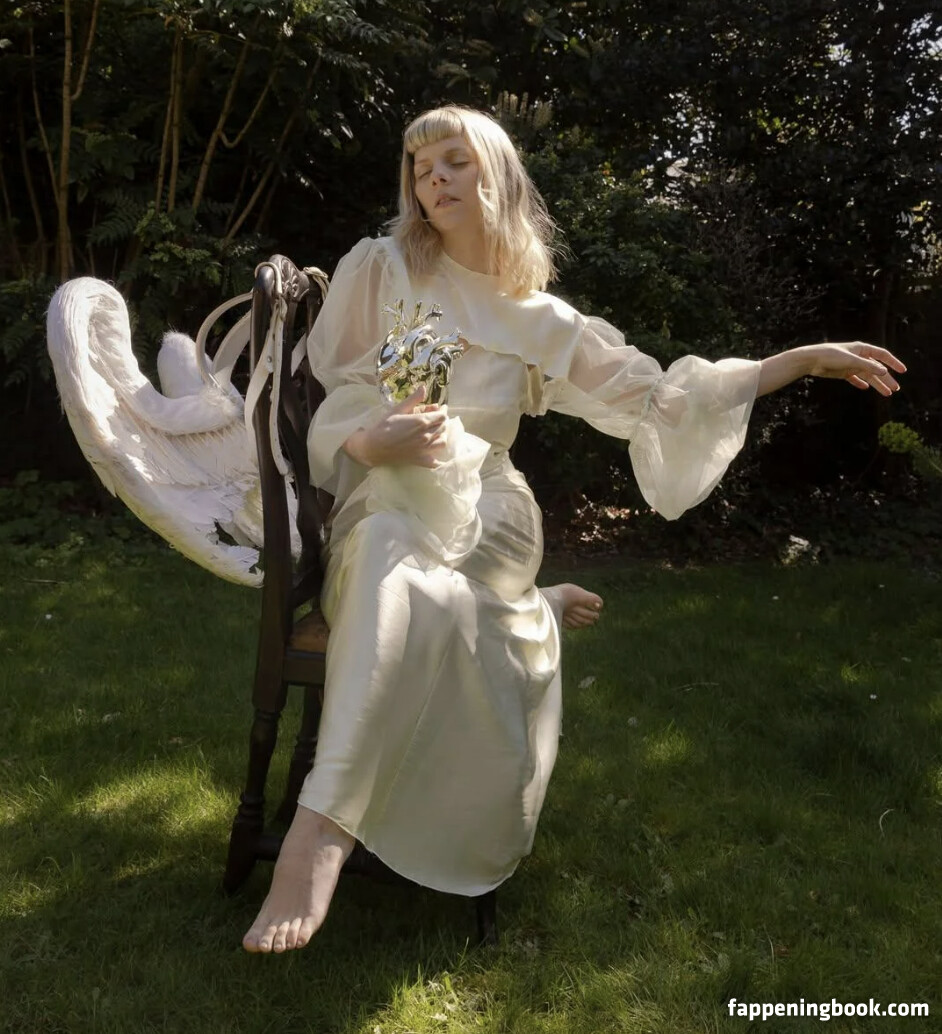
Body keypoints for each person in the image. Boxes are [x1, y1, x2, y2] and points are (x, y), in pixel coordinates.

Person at [242, 105, 905, 953]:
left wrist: (801, 360)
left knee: (406, 569)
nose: (433, 178)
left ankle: (328, 817)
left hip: (493, 509)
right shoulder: (383, 268)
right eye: (419, 167)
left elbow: (665, 398)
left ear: (496, 173)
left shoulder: (542, 320)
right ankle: (331, 822)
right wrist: (372, 441)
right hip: (389, 493)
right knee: (384, 551)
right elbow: (330, 394)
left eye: (453, 160)